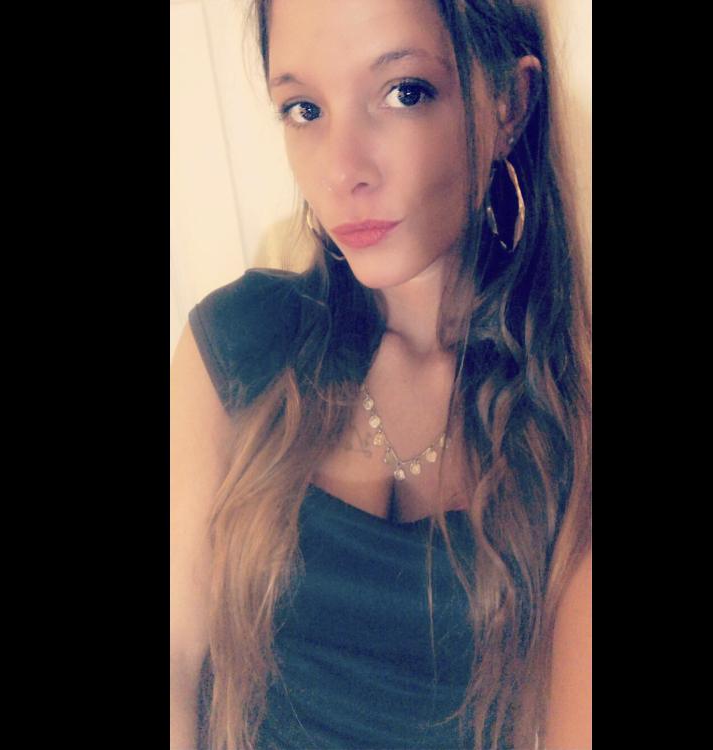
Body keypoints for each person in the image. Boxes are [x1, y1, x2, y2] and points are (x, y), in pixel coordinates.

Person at [170, 1, 591, 747]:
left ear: (509, 103)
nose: (341, 171)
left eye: (404, 92)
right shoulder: (235, 344)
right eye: (304, 109)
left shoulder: (570, 416)